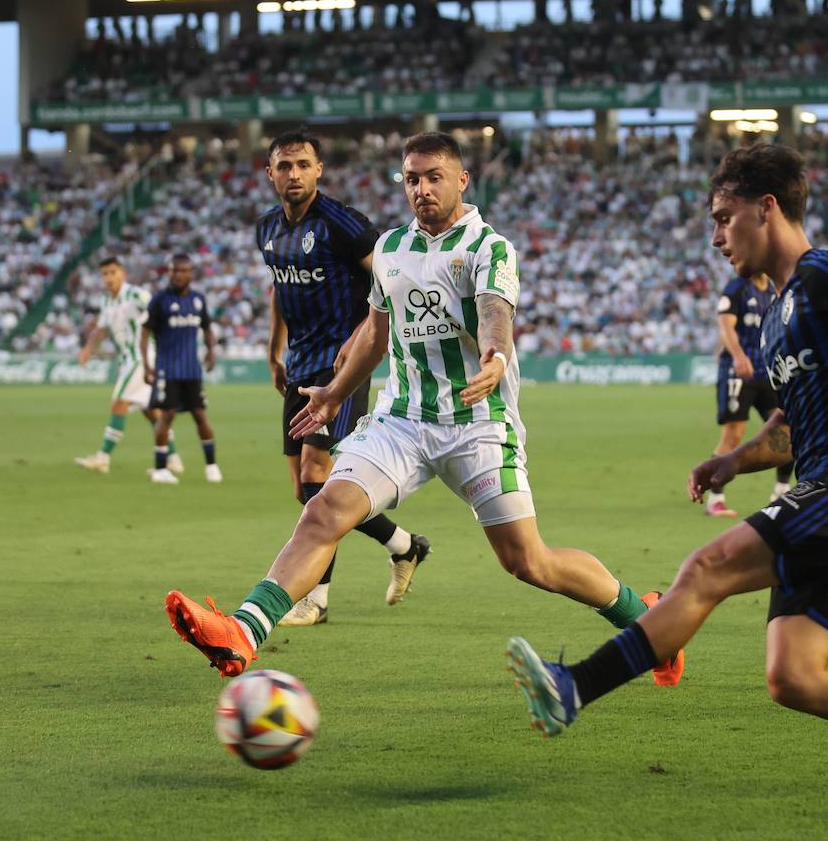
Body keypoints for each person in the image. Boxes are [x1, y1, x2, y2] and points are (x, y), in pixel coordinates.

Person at [505, 143, 828, 807]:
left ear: (766, 208)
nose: (716, 237)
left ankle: (574, 687)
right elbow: (792, 431)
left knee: (705, 568)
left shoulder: (825, 270)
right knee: (794, 676)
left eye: (724, 217)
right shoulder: (774, 321)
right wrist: (733, 460)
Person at [164, 132, 682, 687]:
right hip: (402, 422)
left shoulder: (490, 247)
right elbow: (375, 333)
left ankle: (648, 621)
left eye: (434, 177)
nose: (422, 189)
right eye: (411, 178)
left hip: (477, 426)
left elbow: (495, 314)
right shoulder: (389, 248)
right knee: (323, 510)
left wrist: (495, 356)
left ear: (462, 180)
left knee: (528, 563)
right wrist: (335, 394)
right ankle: (243, 631)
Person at [259, 128, 430, 624]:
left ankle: (315, 600)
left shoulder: (342, 224)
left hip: (341, 369)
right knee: (307, 489)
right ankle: (405, 545)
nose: (294, 174)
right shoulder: (267, 229)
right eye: (284, 166)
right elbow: (280, 288)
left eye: (303, 165)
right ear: (270, 173)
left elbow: (391, 279)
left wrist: (360, 337)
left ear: (319, 170)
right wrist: (274, 350)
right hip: (299, 364)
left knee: (318, 476)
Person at [74, 257, 183, 475]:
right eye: (104, 274)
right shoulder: (107, 301)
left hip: (141, 358)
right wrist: (88, 348)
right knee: (151, 412)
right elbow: (101, 329)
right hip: (129, 360)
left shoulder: (136, 295)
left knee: (119, 404)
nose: (109, 278)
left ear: (122, 273)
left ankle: (103, 457)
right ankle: (173, 458)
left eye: (113, 272)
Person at [709, 271, 792, 517]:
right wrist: (737, 355)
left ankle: (781, 491)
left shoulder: (773, 289)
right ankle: (715, 498)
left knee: (787, 429)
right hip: (738, 373)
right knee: (733, 435)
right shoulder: (736, 288)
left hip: (768, 373)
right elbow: (725, 324)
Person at [139, 253, 220, 485]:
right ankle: (160, 468)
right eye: (174, 270)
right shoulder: (160, 300)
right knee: (166, 416)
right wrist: (146, 365)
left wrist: (211, 351)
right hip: (167, 370)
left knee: (200, 415)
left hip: (192, 370)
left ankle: (212, 466)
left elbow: (207, 327)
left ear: (191, 273)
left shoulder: (198, 300)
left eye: (183, 271)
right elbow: (144, 332)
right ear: (169, 272)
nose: (178, 275)